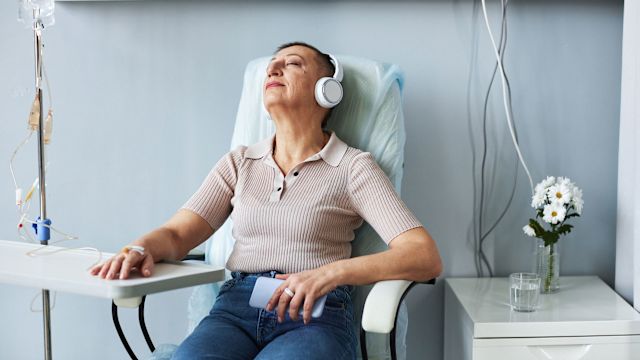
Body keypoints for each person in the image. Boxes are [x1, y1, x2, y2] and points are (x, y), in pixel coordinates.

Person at [91, 42, 442, 359]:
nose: (273, 70)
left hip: (314, 316)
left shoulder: (353, 167)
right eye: (272, 65)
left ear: (327, 91)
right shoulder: (239, 162)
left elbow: (423, 255)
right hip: (235, 311)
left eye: (293, 64)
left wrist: (331, 274)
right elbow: (177, 234)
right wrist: (139, 248)